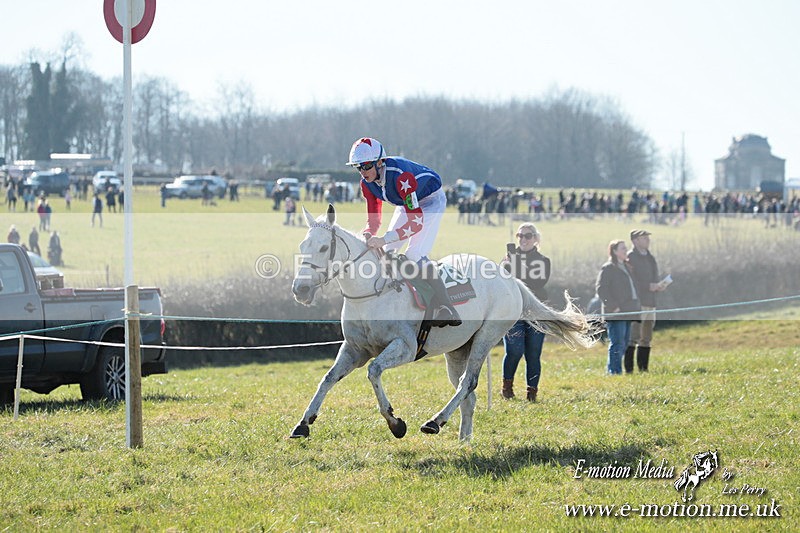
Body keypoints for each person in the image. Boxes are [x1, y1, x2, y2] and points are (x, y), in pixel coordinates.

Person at [347, 137, 461, 327]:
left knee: (414, 254)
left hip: (430, 201)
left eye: (366, 166)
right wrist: (368, 232)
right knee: (388, 251)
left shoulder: (402, 178)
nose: (362, 172)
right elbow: (374, 218)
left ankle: (446, 306)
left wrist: (382, 239)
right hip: (406, 202)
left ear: (379, 162)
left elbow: (415, 223)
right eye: (358, 167)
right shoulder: (366, 183)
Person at [500, 223, 551, 401]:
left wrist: (516, 264)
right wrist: (508, 263)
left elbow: (535, 283)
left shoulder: (543, 261)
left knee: (533, 353)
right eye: (520, 235)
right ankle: (507, 387)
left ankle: (532, 392)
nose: (523, 239)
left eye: (528, 235)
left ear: (536, 239)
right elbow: (502, 283)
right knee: (514, 351)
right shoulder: (508, 260)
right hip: (514, 312)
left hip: (536, 312)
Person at [596, 240, 640, 375]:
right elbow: (601, 289)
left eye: (625, 248)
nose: (625, 250)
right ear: (614, 251)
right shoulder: (608, 268)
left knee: (625, 343)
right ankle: (614, 372)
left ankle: (613, 370)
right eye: (622, 248)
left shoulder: (627, 267)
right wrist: (612, 306)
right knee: (617, 343)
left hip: (628, 310)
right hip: (615, 312)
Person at [625, 229, 665, 372]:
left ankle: (643, 369)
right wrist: (648, 286)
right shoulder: (630, 258)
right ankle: (629, 370)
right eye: (644, 238)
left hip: (651, 302)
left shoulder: (650, 257)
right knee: (634, 336)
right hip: (638, 303)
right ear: (635, 241)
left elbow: (654, 276)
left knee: (646, 337)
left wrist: (658, 286)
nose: (648, 240)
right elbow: (631, 281)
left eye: (648, 237)